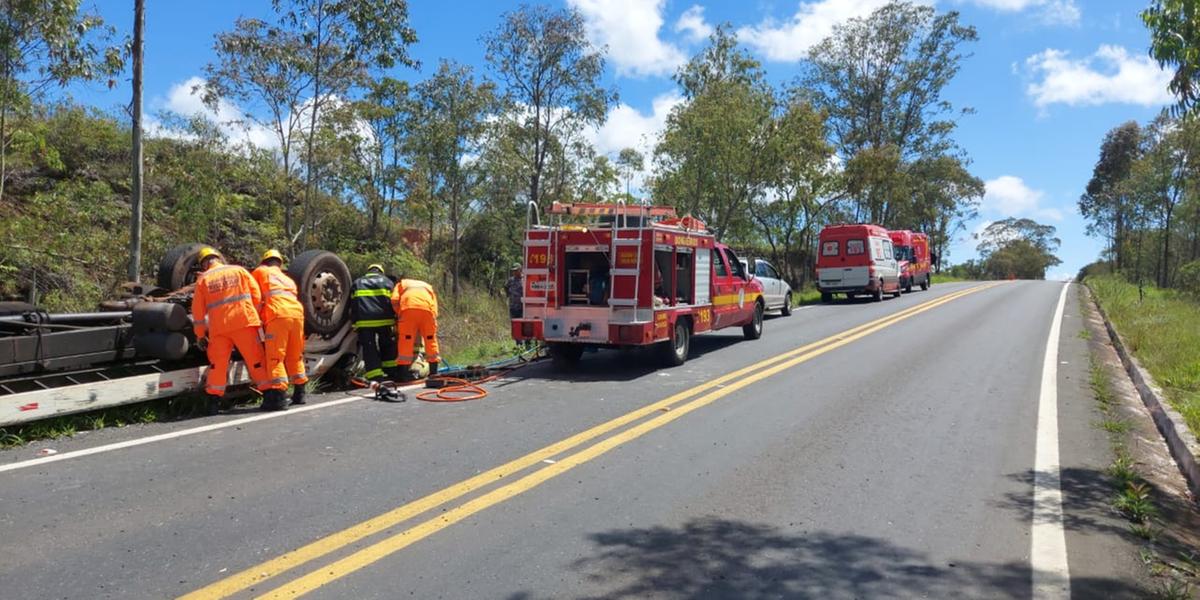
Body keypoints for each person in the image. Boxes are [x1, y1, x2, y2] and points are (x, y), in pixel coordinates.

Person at [191, 247, 285, 413]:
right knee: (256, 361)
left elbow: (198, 312)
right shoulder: (239, 270)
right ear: (219, 258)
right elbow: (256, 295)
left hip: (219, 329)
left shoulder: (203, 279)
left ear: (204, 263)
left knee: (217, 365)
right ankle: (271, 397)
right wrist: (254, 314)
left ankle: (213, 403)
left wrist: (200, 335)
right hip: (244, 323)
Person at [252, 249, 308, 406]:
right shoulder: (287, 278)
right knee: (295, 356)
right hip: (297, 315)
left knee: (275, 357)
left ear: (264, 262)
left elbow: (253, 293)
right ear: (280, 263)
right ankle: (300, 394)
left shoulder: (261, 271)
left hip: (278, 315)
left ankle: (279, 397)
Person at [351, 264, 399, 382]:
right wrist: (395, 320)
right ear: (381, 271)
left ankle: (374, 375)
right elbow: (393, 302)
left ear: (368, 271)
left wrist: (354, 323)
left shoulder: (357, 282)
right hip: (385, 321)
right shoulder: (387, 282)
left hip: (364, 322)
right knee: (387, 345)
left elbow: (353, 305)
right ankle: (391, 372)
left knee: (369, 347)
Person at [391, 275, 441, 378]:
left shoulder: (401, 284)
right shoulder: (427, 286)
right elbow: (435, 305)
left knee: (406, 340)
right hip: (428, 312)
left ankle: (403, 374)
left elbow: (394, 300)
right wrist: (432, 318)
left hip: (408, 311)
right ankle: (434, 372)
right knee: (430, 339)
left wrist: (399, 313)